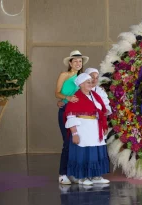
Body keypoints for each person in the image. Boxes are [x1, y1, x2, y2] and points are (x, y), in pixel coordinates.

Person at [64, 73, 110, 185]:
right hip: (83, 129)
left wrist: (103, 126)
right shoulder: (76, 97)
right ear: (81, 84)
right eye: (87, 82)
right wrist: (74, 133)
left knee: (96, 151)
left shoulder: (95, 96)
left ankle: (96, 176)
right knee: (83, 152)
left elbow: (101, 111)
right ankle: (82, 177)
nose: (90, 83)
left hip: (95, 128)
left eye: (91, 82)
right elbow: (70, 115)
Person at [55, 50, 89, 184]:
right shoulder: (64, 75)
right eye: (75, 61)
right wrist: (66, 98)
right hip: (65, 111)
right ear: (70, 62)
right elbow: (57, 93)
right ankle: (62, 174)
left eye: (80, 61)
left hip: (79, 113)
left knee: (77, 143)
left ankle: (73, 173)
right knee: (67, 143)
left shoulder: (83, 78)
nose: (78, 63)